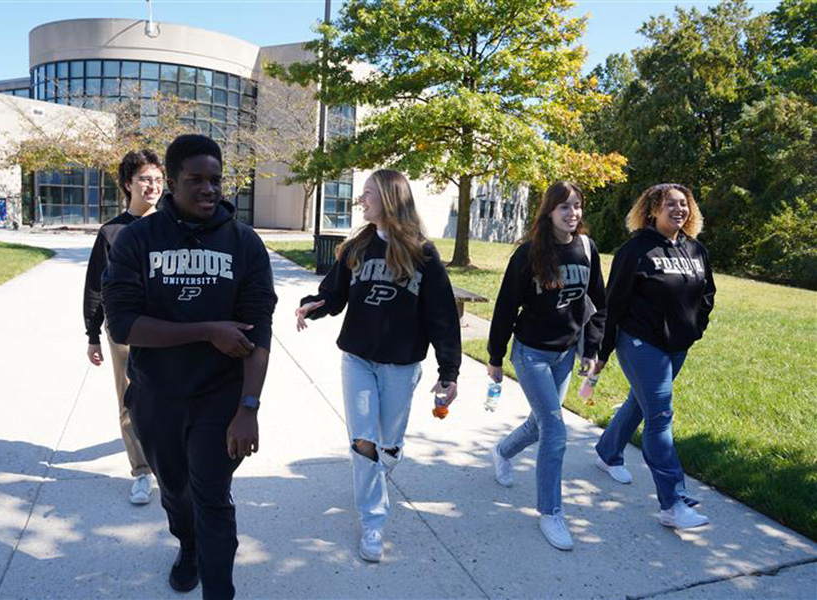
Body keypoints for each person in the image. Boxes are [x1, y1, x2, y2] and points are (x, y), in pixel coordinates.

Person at [102, 134, 277, 598]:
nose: (208, 189)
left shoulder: (245, 244)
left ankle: (219, 589)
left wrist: (249, 407)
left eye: (215, 180)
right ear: (173, 181)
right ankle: (188, 546)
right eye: (196, 179)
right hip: (156, 397)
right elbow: (122, 324)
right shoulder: (136, 240)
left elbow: (259, 332)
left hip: (219, 398)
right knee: (175, 493)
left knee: (213, 498)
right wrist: (208, 329)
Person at [296, 169, 461, 563]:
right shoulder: (356, 247)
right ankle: (373, 521)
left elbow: (442, 316)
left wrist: (449, 372)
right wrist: (313, 305)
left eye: (368, 194)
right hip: (358, 359)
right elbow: (332, 295)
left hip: (401, 367)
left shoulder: (422, 254)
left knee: (387, 447)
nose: (361, 200)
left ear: (389, 198)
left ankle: (376, 472)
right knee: (363, 441)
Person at [486, 181, 606, 551]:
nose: (573, 214)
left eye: (577, 206)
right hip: (531, 353)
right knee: (555, 430)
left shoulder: (586, 249)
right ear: (549, 212)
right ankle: (551, 513)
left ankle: (503, 451)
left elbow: (597, 302)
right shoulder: (528, 254)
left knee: (541, 424)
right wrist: (495, 356)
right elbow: (506, 307)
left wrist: (593, 348)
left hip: (565, 354)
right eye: (564, 207)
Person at [592, 183, 716, 530]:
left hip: (678, 345)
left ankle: (607, 452)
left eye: (684, 204)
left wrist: (696, 328)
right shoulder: (635, 251)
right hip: (641, 342)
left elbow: (707, 293)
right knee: (660, 415)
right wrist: (601, 351)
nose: (679, 210)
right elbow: (612, 303)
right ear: (651, 210)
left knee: (639, 403)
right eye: (670, 205)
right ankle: (673, 503)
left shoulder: (695, 249)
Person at [83, 149, 162, 505]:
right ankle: (142, 471)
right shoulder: (112, 232)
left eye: (159, 180)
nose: (153, 186)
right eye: (145, 178)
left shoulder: (173, 227)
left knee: (170, 396)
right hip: (125, 331)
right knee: (130, 399)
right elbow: (96, 286)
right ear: (128, 183)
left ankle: (170, 461)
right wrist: (92, 334)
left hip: (168, 328)